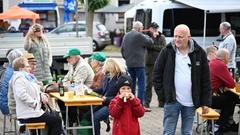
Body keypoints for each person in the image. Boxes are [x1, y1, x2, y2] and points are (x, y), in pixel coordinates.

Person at [153, 24, 212, 135]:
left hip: (191, 102)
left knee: (187, 132)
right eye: (175, 36)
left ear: (188, 37)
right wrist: (163, 96)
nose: (177, 39)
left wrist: (206, 102)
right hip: (171, 100)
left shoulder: (199, 53)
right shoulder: (167, 51)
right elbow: (156, 74)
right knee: (168, 132)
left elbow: (206, 80)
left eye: (180, 36)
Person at [10, 57, 63, 135]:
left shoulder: (27, 77)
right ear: (21, 68)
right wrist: (34, 103)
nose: (29, 68)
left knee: (54, 116)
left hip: (33, 112)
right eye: (27, 66)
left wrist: (42, 95)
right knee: (57, 121)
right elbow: (21, 95)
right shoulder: (19, 78)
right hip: (28, 114)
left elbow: (37, 89)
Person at [87, 58, 126, 135]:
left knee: (95, 117)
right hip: (104, 102)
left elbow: (120, 96)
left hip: (112, 105)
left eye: (106, 67)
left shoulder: (120, 79)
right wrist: (90, 91)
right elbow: (103, 89)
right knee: (88, 115)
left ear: (111, 68)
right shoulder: (108, 77)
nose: (104, 69)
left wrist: (106, 99)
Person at [121, 21, 153, 105]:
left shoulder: (126, 35)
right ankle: (139, 103)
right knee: (142, 84)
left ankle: (131, 101)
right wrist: (145, 35)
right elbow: (150, 43)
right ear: (139, 29)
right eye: (142, 29)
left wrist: (127, 58)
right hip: (139, 64)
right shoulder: (139, 35)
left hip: (129, 63)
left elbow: (122, 50)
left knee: (132, 84)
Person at [60, 48, 94, 125]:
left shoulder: (83, 66)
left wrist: (68, 84)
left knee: (65, 104)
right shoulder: (73, 64)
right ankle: (70, 125)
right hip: (77, 94)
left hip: (86, 96)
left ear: (76, 57)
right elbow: (65, 79)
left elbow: (76, 85)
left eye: (69, 57)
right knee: (61, 102)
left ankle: (73, 125)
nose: (67, 60)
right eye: (67, 58)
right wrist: (69, 83)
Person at [209, 48, 238, 133]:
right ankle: (219, 125)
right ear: (225, 57)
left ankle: (227, 122)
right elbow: (232, 84)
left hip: (203, 97)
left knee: (231, 97)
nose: (228, 59)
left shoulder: (212, 62)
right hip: (207, 99)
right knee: (231, 99)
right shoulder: (221, 65)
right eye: (228, 57)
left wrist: (223, 84)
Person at [144, 22, 166, 110]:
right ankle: (147, 103)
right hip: (149, 63)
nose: (155, 30)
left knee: (159, 83)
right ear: (150, 29)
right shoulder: (147, 37)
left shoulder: (162, 37)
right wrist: (153, 39)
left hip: (159, 62)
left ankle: (161, 102)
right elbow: (147, 45)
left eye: (156, 28)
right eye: (153, 28)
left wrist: (153, 46)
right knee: (148, 84)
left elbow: (163, 47)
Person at [0, 49, 23, 115]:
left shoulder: (8, 70)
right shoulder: (15, 73)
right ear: (18, 60)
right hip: (10, 108)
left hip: (4, 105)